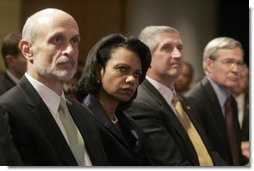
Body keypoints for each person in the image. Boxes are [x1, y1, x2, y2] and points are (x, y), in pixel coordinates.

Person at [0, 8, 109, 166]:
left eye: (74, 41)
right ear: (27, 49)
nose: (70, 51)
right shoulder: (7, 112)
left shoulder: (83, 113)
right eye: (57, 40)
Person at [123, 26, 227, 166]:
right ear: (147, 58)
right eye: (167, 48)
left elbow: (210, 152)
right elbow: (173, 165)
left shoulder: (183, 101)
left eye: (179, 47)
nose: (178, 54)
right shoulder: (140, 103)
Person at [74, 33, 152, 166]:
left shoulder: (131, 125)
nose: (132, 79)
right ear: (99, 71)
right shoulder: (81, 118)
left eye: (137, 74)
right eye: (122, 69)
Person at [185, 37, 248, 165]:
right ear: (209, 65)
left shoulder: (231, 102)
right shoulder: (194, 102)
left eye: (239, 63)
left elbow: (233, 153)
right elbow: (204, 157)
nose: (235, 70)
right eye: (228, 62)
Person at [230, 65, 249, 159]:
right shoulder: (220, 102)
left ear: (248, 81)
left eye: (241, 77)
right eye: (234, 76)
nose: (237, 80)